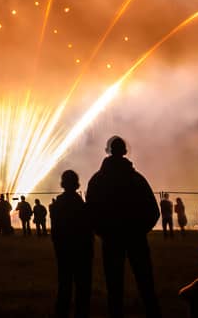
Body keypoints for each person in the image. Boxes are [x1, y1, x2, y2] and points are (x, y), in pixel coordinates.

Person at [87, 136, 163, 318]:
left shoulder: (98, 180)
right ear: (125, 152)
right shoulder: (137, 179)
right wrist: (139, 230)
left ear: (108, 151)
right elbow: (153, 210)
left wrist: (102, 231)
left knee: (114, 286)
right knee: (146, 283)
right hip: (136, 237)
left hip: (111, 239)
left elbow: (90, 211)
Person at [52, 168, 92, 318]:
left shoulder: (57, 205)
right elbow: (87, 229)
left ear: (63, 184)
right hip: (82, 252)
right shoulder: (80, 204)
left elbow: (56, 233)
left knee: (64, 285)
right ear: (76, 184)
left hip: (64, 251)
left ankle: (61, 313)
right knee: (83, 286)